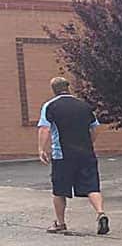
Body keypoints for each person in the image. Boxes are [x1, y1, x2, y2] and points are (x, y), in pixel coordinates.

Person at [37, 77, 108, 235]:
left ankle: (60, 223)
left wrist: (41, 149)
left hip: (62, 155)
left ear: (53, 89)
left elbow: (44, 129)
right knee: (92, 186)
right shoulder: (84, 106)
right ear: (68, 88)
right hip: (86, 153)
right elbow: (95, 128)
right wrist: (89, 142)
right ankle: (100, 213)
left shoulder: (50, 106)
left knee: (59, 190)